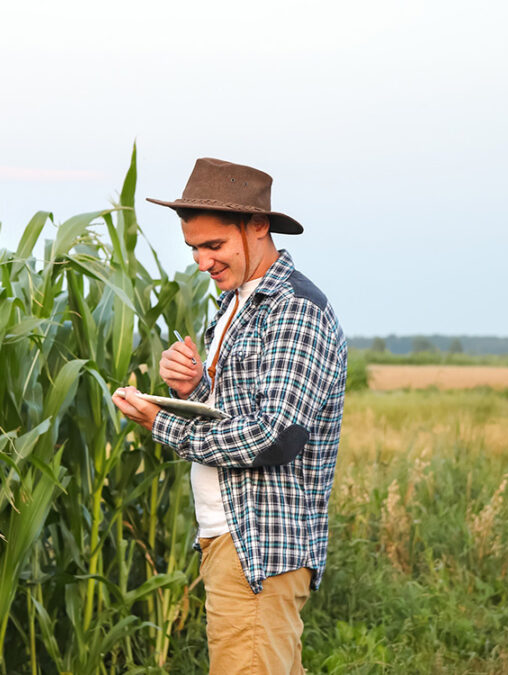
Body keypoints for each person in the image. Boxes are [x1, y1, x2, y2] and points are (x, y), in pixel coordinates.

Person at [111, 158, 347, 674]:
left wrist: (160, 423)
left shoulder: (292, 308)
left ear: (258, 227)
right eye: (193, 247)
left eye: (213, 246)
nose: (201, 261)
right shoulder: (237, 303)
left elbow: (275, 436)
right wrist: (195, 385)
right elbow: (241, 410)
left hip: (258, 545)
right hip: (231, 537)